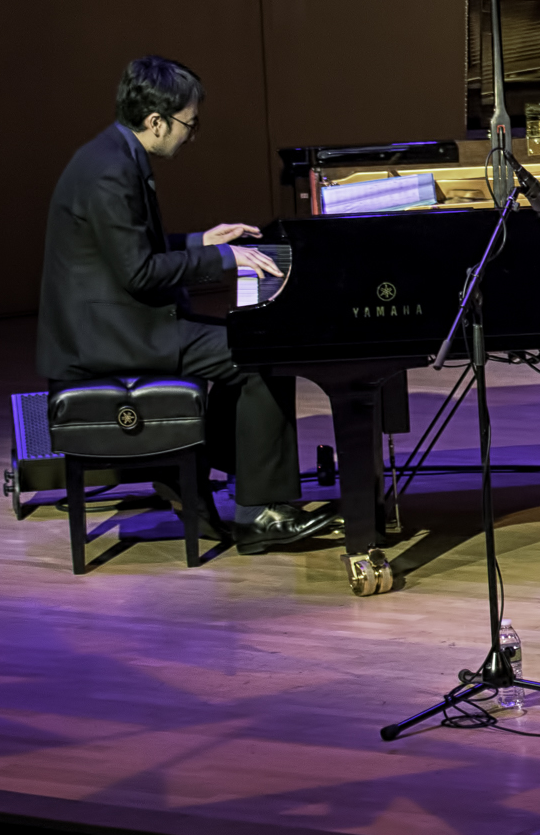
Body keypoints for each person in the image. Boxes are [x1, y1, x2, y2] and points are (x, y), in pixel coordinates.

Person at [37, 56, 335, 552]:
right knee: (258, 354)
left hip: (118, 321)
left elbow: (134, 248)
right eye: (188, 125)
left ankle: (203, 463)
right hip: (111, 337)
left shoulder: (113, 155)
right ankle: (258, 512)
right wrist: (221, 259)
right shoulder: (110, 172)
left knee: (244, 346)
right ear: (156, 121)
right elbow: (138, 272)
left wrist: (202, 240)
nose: (191, 136)